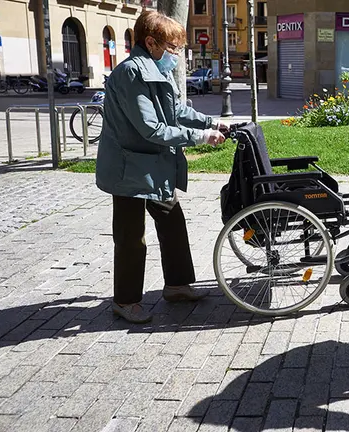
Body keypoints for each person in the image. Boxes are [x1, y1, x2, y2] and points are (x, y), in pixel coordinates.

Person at [95, 10, 229, 324]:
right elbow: (151, 128)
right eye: (172, 47)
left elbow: (176, 110)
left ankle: (177, 286)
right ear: (151, 41)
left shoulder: (155, 67)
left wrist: (212, 121)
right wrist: (201, 136)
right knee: (131, 236)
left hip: (152, 164)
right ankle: (125, 301)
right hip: (129, 167)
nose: (176, 54)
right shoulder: (131, 73)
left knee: (172, 221)